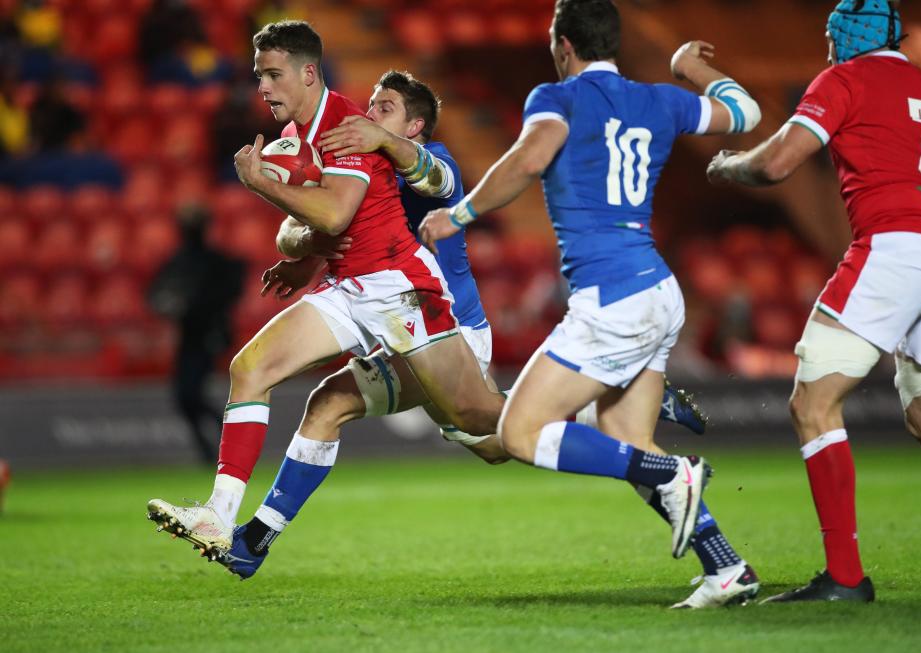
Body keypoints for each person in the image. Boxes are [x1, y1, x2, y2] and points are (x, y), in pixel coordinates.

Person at [218, 69, 709, 580]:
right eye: (371, 105)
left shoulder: (434, 162)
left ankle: (253, 539)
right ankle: (604, 403)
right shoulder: (357, 168)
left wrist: (374, 152)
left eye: (385, 109)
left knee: (471, 428)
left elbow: (438, 183)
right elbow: (319, 233)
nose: (369, 115)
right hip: (395, 323)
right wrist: (303, 252)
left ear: (414, 127)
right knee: (466, 437)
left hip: (446, 327)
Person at [419, 0, 763, 608]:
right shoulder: (660, 99)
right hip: (658, 290)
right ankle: (726, 567)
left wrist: (459, 214)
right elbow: (745, 112)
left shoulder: (558, 99)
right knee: (627, 438)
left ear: (562, 45)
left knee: (520, 433)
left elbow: (529, 157)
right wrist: (690, 66)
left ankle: (675, 473)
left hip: (612, 300)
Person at [146, 20, 507, 560]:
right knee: (255, 371)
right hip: (349, 289)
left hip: (408, 296)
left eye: (271, 75)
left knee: (491, 432)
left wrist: (265, 184)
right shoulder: (306, 139)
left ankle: (600, 427)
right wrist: (303, 247)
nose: (261, 88)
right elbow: (306, 229)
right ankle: (224, 521)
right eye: (258, 76)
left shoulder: (358, 132)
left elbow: (359, 207)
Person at [706, 0, 921, 603]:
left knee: (813, 403)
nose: (825, 48)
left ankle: (845, 577)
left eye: (830, 37)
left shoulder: (846, 78)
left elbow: (778, 162)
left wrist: (729, 167)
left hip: (895, 247)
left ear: (847, 38)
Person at [147, 203, 246, 464]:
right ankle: (217, 446)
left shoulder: (212, 261)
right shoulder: (181, 261)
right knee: (186, 395)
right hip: (190, 335)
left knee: (190, 393)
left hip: (209, 333)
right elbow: (155, 293)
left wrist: (191, 304)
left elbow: (230, 289)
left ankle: (223, 444)